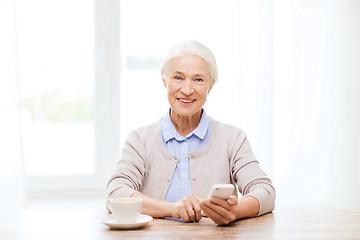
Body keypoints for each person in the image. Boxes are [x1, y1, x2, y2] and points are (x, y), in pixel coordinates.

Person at [107, 41, 275, 225]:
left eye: (198, 79)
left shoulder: (233, 139)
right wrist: (172, 209)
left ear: (210, 86)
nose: (187, 90)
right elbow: (116, 192)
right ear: (164, 80)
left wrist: (236, 211)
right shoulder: (140, 139)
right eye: (178, 78)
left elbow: (265, 192)